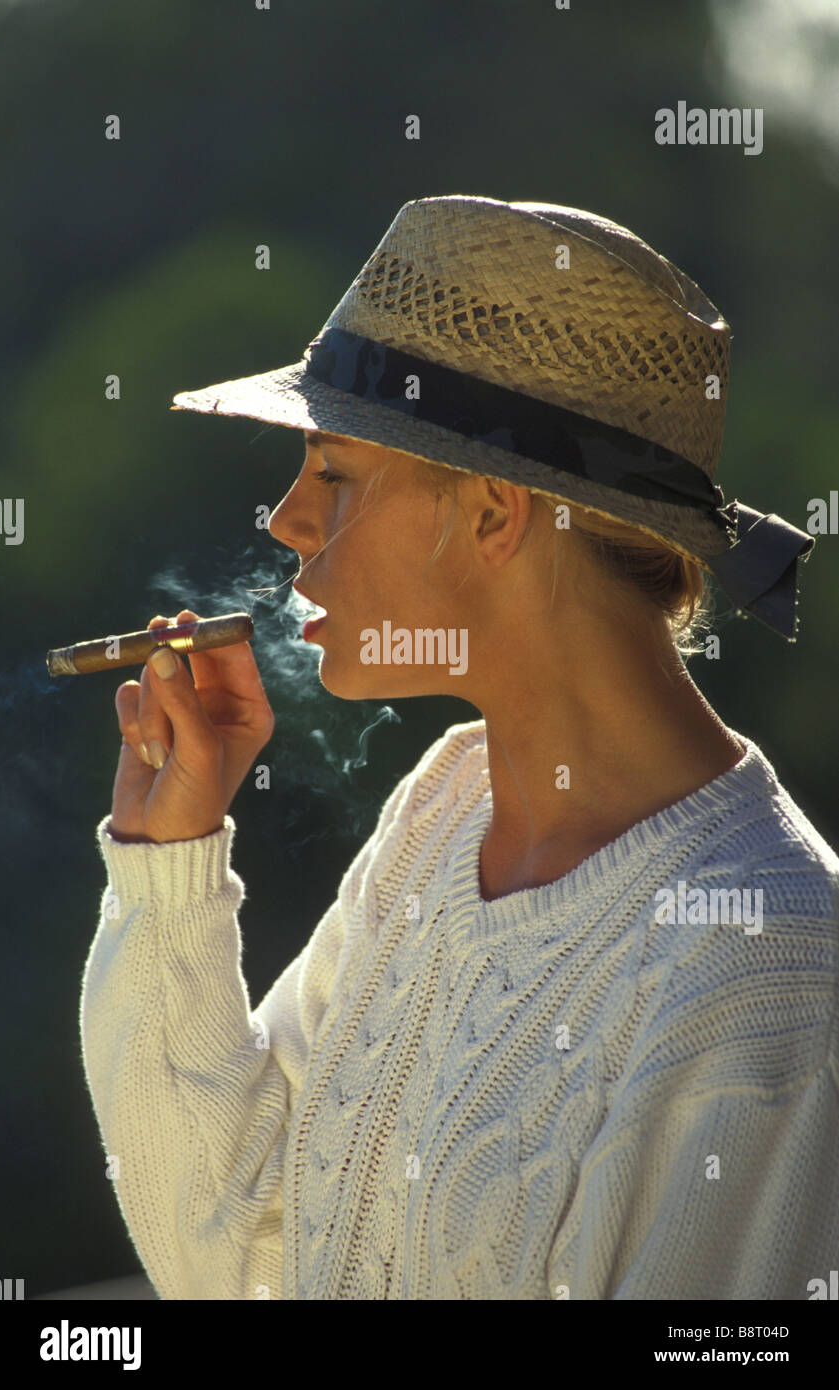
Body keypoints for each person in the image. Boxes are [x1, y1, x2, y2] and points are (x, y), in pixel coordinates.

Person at [80, 195, 839, 1299]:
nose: (288, 520)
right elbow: (234, 1256)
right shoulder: (443, 811)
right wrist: (169, 866)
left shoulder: (768, 978)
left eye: (332, 470)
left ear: (492, 511)